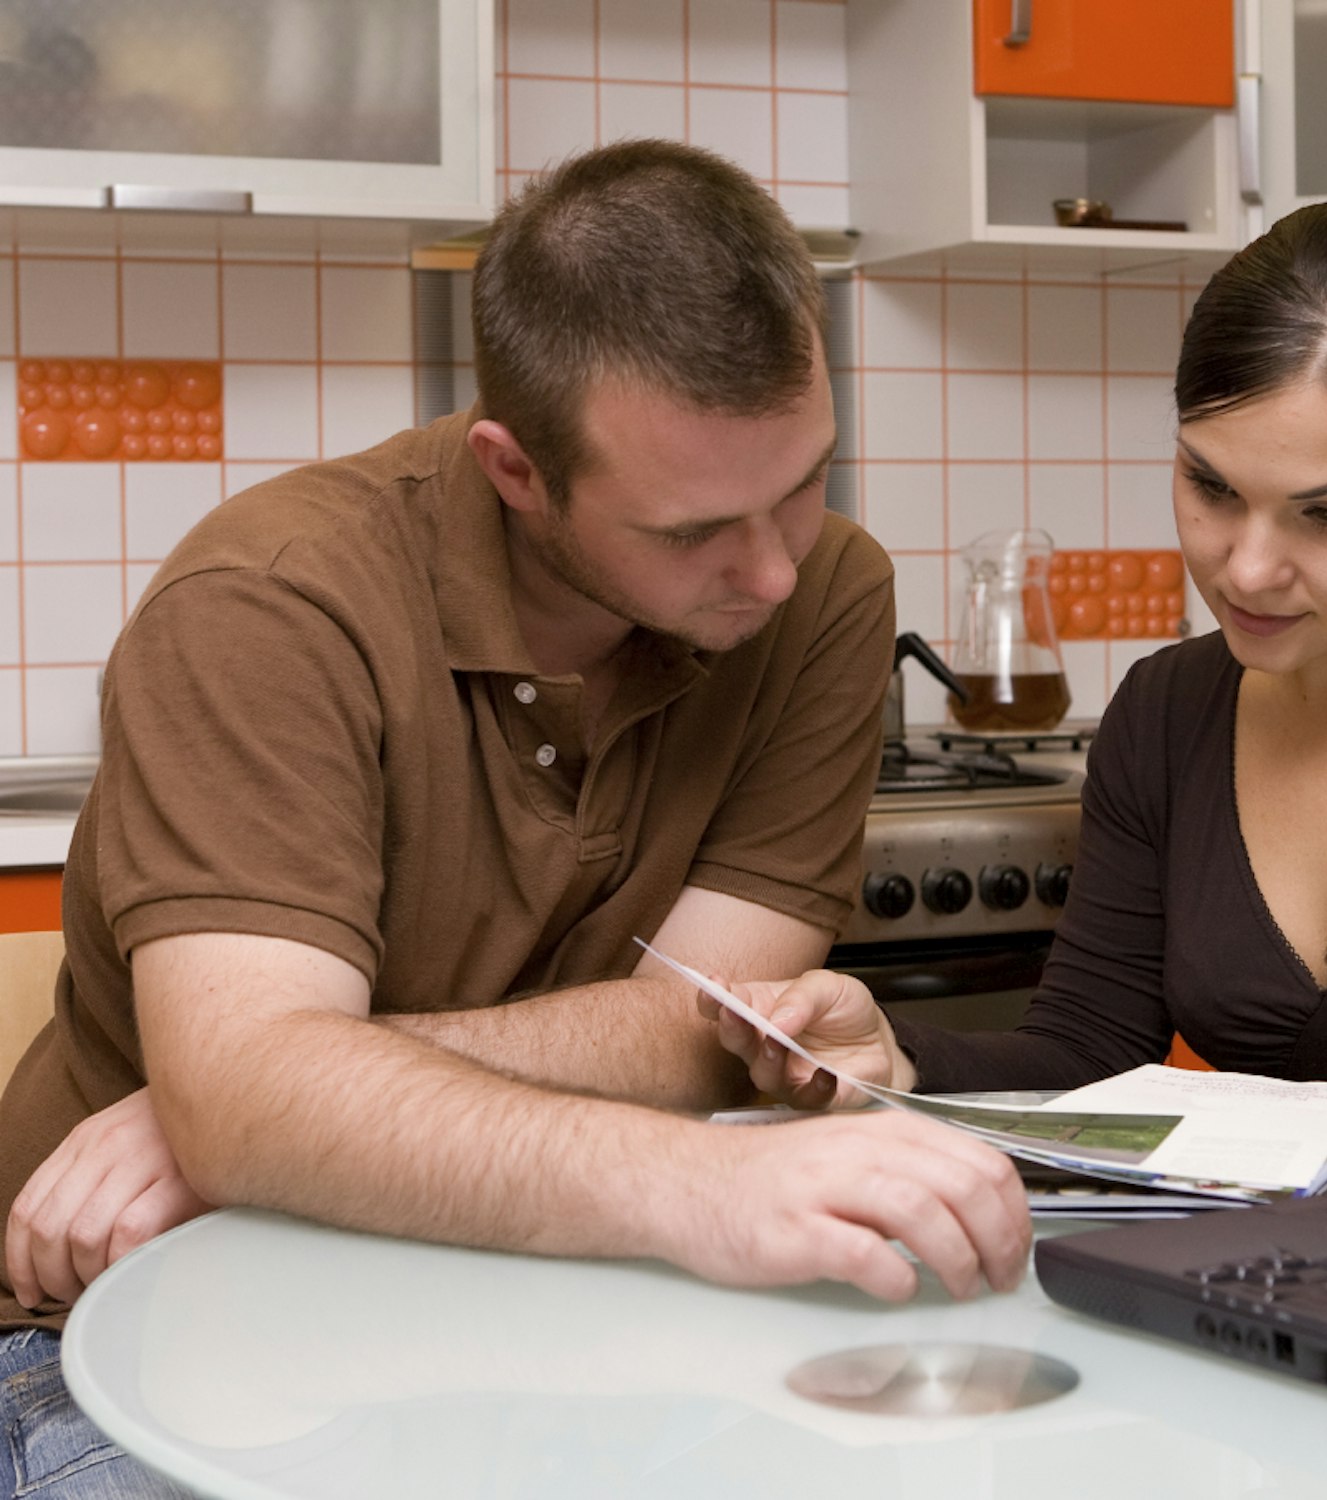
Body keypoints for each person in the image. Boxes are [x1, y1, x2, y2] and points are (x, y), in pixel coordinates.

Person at [0, 141, 1028, 1498]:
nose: (774, 567)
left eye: (802, 480)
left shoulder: (825, 593)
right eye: (691, 530)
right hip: (145, 1321)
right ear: (515, 469)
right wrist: (254, 1104)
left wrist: (270, 1104)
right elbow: (667, 1051)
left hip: (563, 1304)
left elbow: (714, 1022)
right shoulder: (269, 604)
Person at [713, 199, 1327, 1106]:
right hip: (1250, 1270)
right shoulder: (1165, 714)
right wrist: (898, 1056)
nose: (1247, 571)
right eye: (1210, 487)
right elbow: (1086, 1054)